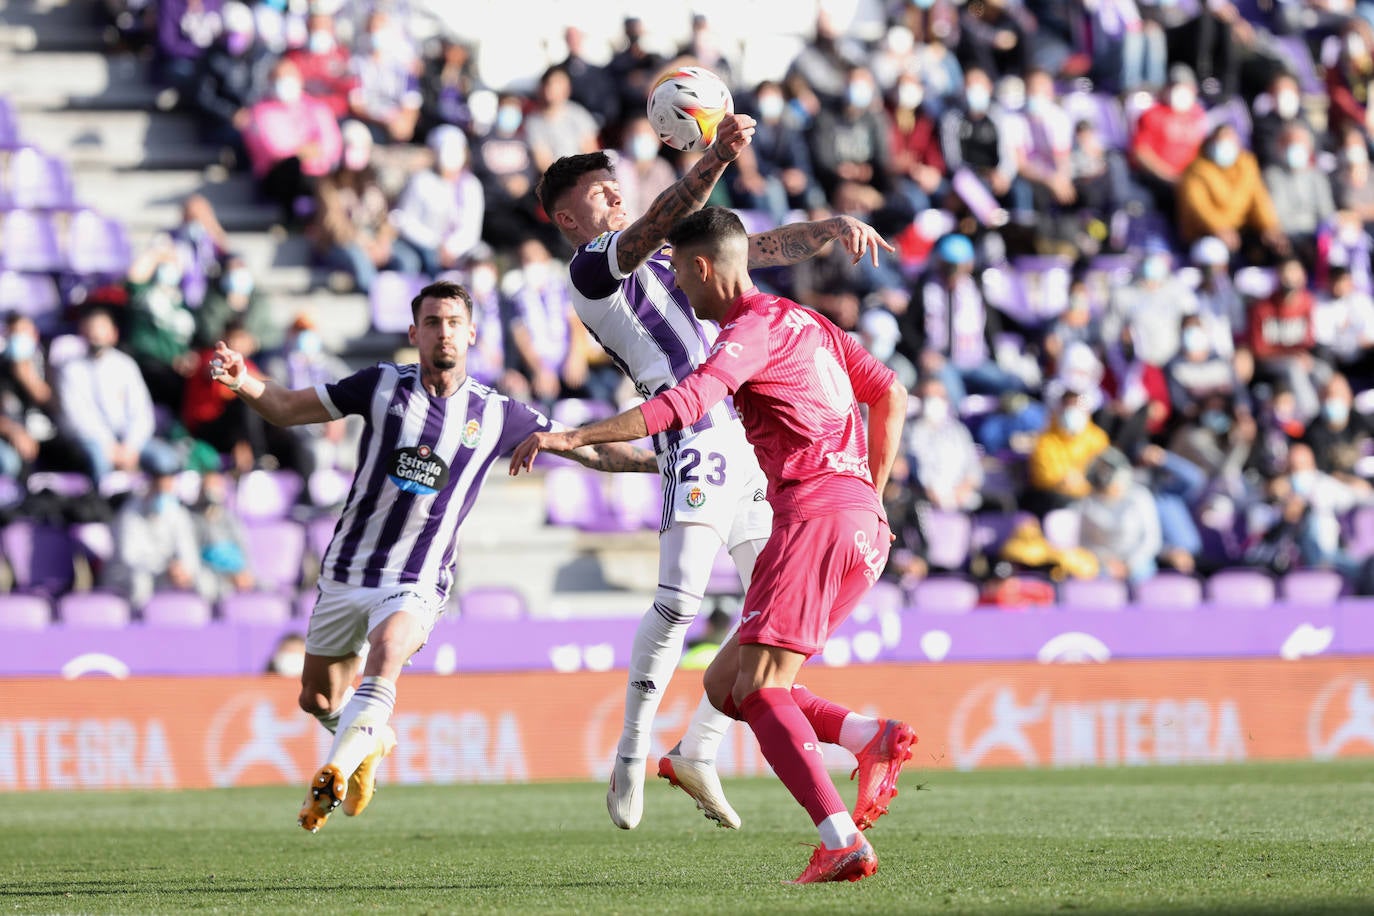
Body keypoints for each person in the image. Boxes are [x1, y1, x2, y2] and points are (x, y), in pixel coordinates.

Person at [510, 206, 915, 884]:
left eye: (677, 275)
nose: (677, 291)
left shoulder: (746, 332)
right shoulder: (804, 319)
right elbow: (891, 392)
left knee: (758, 689)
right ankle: (866, 737)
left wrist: (575, 436)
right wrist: (868, 493)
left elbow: (686, 403)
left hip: (811, 518)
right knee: (727, 684)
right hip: (863, 528)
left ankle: (840, 838)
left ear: (700, 269)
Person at [208, 279, 658, 833]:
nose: (443, 333)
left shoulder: (499, 414)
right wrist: (243, 382)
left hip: (418, 576)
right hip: (347, 571)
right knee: (317, 698)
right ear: (413, 332)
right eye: (432, 323)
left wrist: (663, 463)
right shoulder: (378, 386)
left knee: (390, 647)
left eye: (453, 323)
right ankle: (369, 743)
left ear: (471, 333)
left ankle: (336, 771)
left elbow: (592, 450)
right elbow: (286, 407)